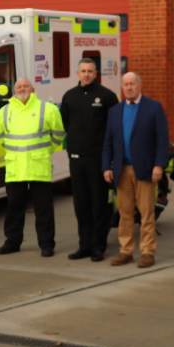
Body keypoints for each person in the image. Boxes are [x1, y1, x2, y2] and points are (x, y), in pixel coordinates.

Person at [102, 72, 169, 268]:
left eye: (132, 84)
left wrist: (158, 165)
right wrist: (107, 166)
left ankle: (148, 252)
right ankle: (126, 251)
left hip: (146, 170)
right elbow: (108, 142)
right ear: (122, 87)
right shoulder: (115, 111)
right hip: (122, 171)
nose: (129, 87)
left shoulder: (153, 107)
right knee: (125, 214)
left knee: (147, 214)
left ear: (139, 85)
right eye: (125, 84)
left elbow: (162, 139)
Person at [0, 78, 65, 256]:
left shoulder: (47, 108)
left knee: (44, 209)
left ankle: (47, 244)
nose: (22, 89)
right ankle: (12, 242)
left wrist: (45, 151)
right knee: (13, 208)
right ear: (14, 90)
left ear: (32, 89)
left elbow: (58, 134)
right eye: (19, 87)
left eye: (25, 86)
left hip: (38, 166)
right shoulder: (4, 111)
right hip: (15, 168)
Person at [59, 58, 120, 262]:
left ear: (96, 74)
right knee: (81, 205)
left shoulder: (107, 96)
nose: (86, 74)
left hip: (98, 160)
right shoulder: (69, 97)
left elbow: (114, 129)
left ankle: (98, 247)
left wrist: (110, 160)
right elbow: (66, 124)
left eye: (90, 71)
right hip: (76, 160)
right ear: (77, 74)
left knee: (99, 204)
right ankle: (84, 245)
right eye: (83, 71)